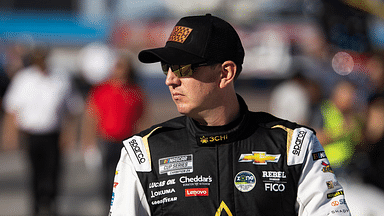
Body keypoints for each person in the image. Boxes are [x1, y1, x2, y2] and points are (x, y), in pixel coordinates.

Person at [109, 14, 351, 216]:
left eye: (183, 67)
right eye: (167, 67)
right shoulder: (142, 153)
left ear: (225, 73)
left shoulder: (295, 146)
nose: (170, 80)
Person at [1, 46, 83, 216]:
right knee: (36, 172)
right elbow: (11, 108)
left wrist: (69, 134)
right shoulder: (24, 79)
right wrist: (9, 134)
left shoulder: (60, 78)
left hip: (53, 134)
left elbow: (72, 109)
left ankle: (50, 203)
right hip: (31, 134)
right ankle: (37, 206)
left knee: (53, 171)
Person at [80, 51, 148, 204]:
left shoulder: (136, 92)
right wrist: (88, 142)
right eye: (117, 66)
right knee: (107, 178)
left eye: (123, 67)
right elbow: (91, 118)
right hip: (106, 141)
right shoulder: (101, 90)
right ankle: (108, 207)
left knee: (127, 178)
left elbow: (144, 119)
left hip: (127, 142)